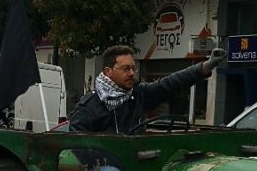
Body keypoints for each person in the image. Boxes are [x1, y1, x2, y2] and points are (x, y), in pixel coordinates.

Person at [69, 45, 226, 133]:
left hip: (136, 162)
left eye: (133, 68)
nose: (131, 73)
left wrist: (204, 67)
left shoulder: (138, 95)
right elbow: (77, 148)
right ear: (108, 71)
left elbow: (170, 83)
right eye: (126, 69)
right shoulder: (89, 107)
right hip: (105, 166)